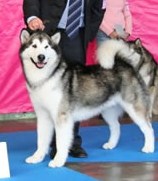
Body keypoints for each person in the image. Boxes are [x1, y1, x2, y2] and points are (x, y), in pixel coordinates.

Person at [23, 0, 105, 158]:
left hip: (76, 34)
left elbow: (98, 6)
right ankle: (50, 144)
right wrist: (32, 17)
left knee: (73, 93)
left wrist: (89, 33)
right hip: (48, 32)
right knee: (48, 92)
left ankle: (71, 143)